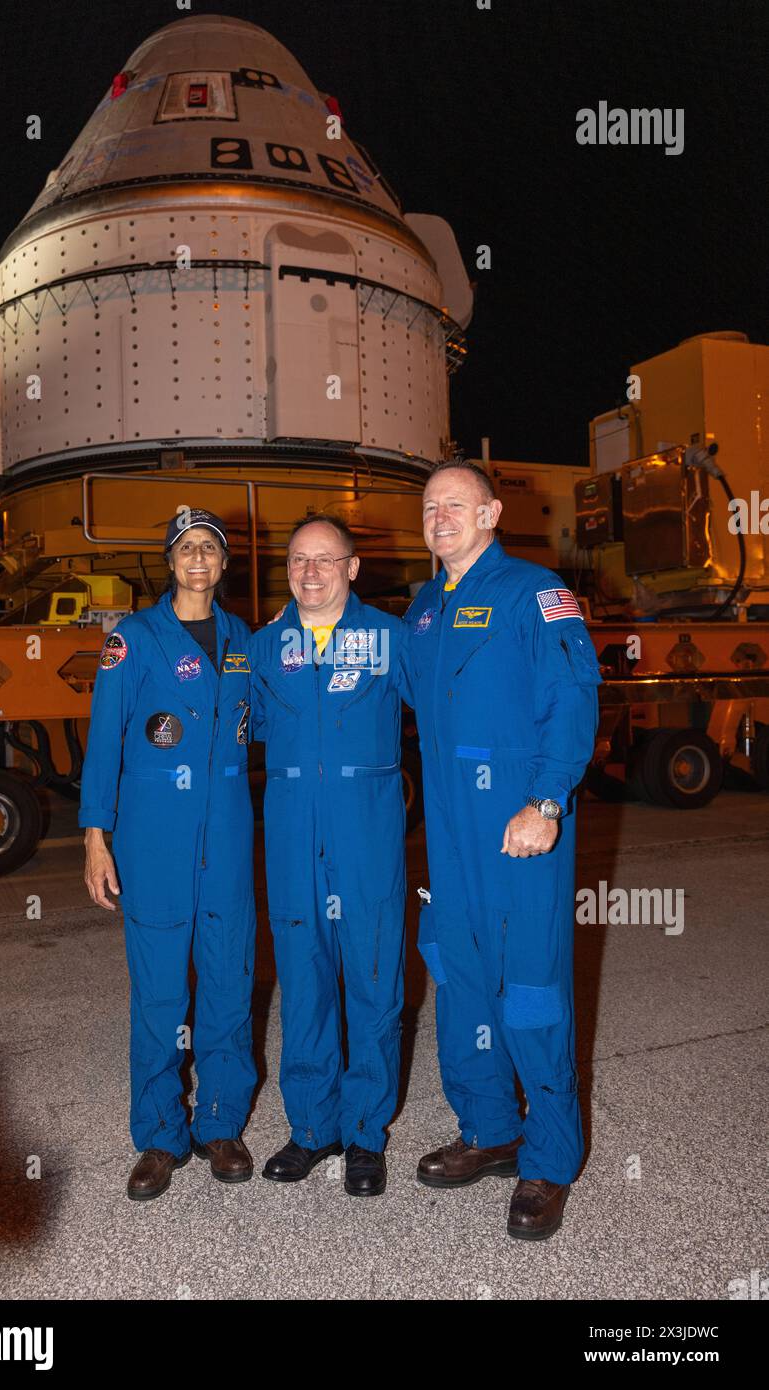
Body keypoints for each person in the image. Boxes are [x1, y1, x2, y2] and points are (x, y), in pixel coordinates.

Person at [404, 462, 602, 1239]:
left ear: (490, 512)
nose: (439, 516)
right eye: (428, 506)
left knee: (530, 988)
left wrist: (547, 799)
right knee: (458, 976)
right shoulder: (422, 608)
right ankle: (489, 1129)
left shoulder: (534, 591)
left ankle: (548, 1160)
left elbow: (574, 696)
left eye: (454, 503)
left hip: (519, 821)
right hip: (450, 832)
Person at [80, 508, 257, 1197]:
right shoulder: (133, 641)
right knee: (159, 992)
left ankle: (220, 1123)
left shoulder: (244, 639)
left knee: (227, 981)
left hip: (228, 843)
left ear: (222, 563)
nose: (197, 559)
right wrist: (96, 839)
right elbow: (102, 744)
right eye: (185, 547)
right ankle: (159, 1135)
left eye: (209, 548)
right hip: (153, 842)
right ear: (169, 559)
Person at [249, 516, 408, 1197]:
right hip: (290, 837)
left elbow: (445, 713)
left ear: (352, 568)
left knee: (373, 979)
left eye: (324, 559)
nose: (309, 572)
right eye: (296, 561)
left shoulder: (389, 639)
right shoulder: (262, 648)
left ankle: (365, 1133)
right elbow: (226, 729)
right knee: (303, 980)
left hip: (365, 836)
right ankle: (313, 1128)